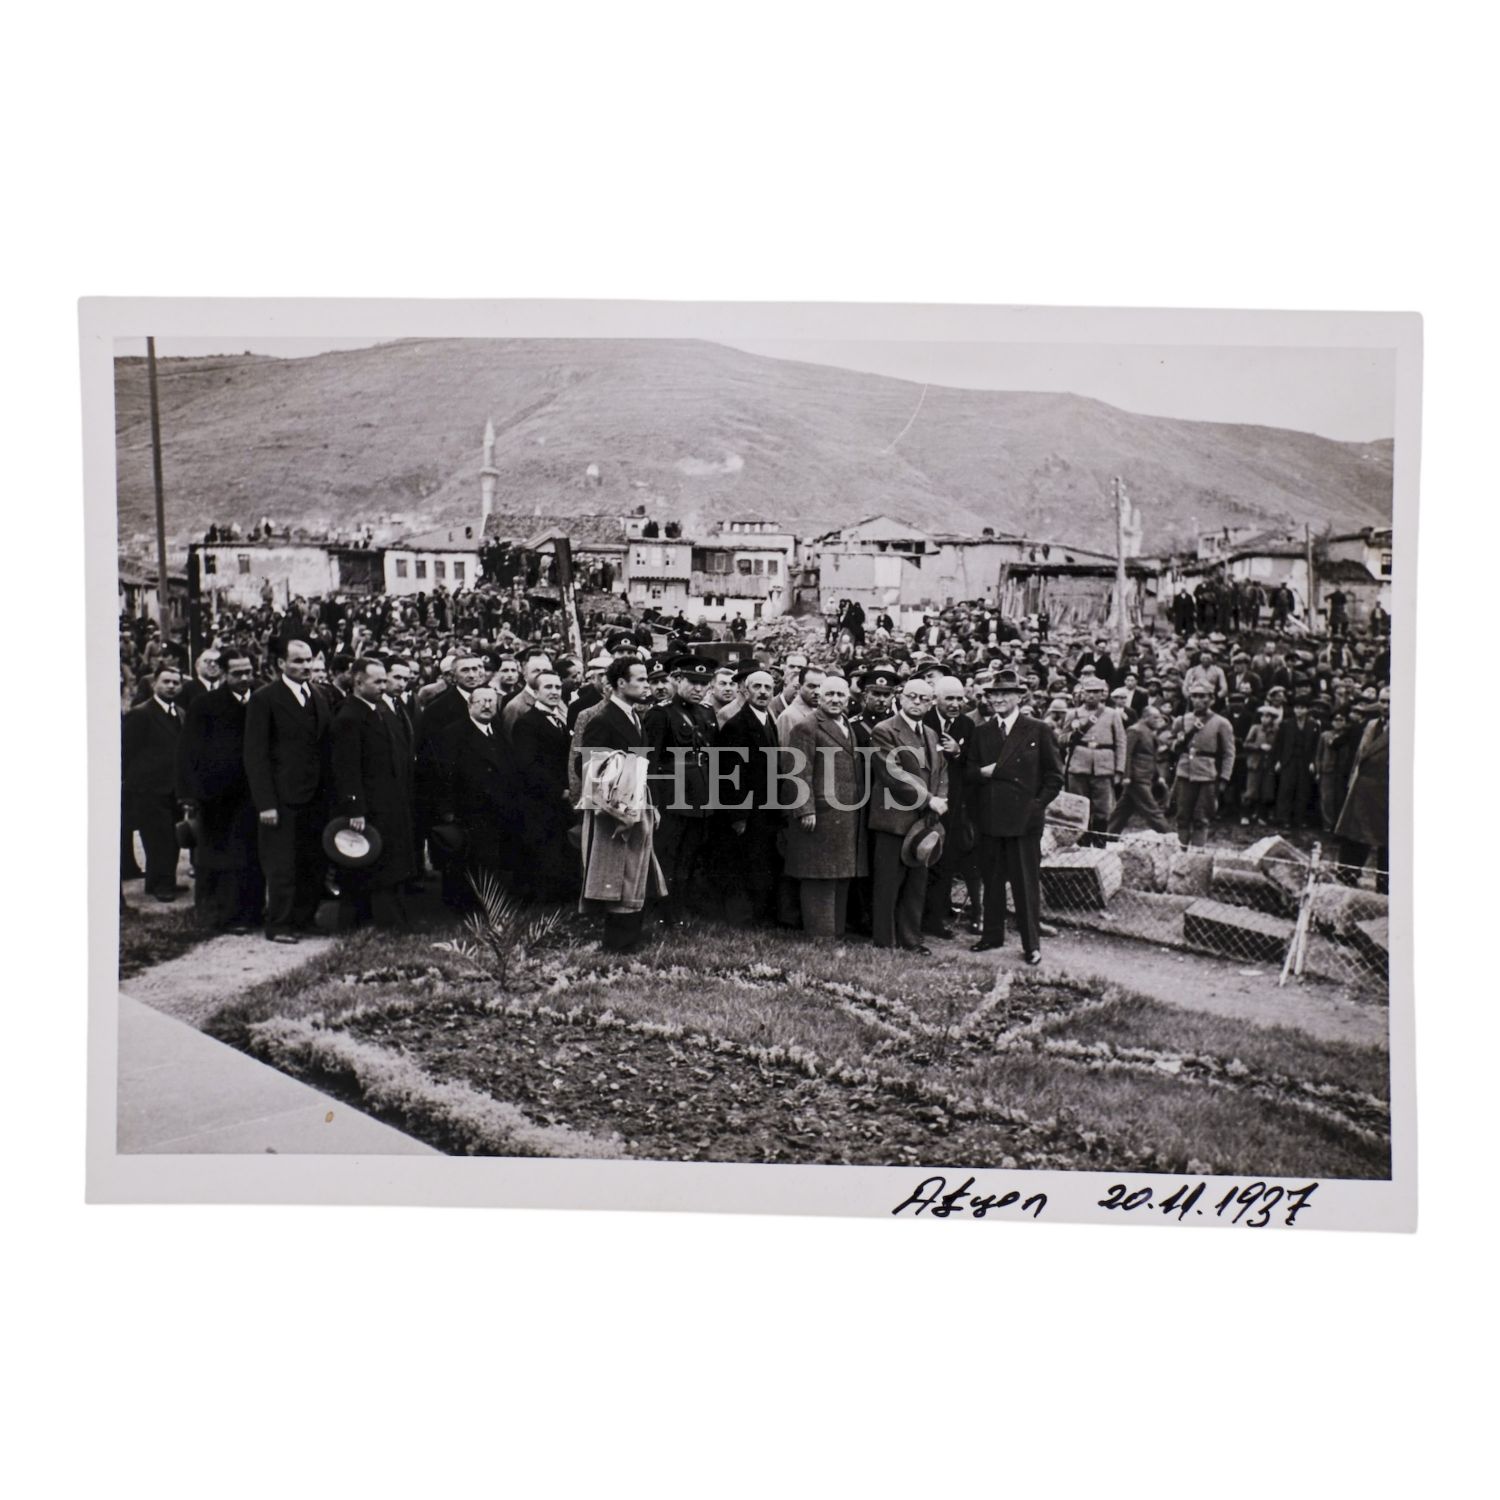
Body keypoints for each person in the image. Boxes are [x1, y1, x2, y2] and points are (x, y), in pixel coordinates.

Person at [961, 669, 1064, 963]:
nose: (998, 699)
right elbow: (968, 773)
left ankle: (1031, 945)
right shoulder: (982, 732)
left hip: (1024, 823)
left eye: (1005, 693)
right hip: (991, 820)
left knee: (1025, 884)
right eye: (994, 694)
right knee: (992, 882)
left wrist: (1036, 806)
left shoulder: (1038, 729)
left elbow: (1055, 777)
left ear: (1019, 697)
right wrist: (983, 773)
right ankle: (991, 936)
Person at [243, 638, 332, 942]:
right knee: (282, 865)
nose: (306, 666)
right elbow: (255, 754)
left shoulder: (319, 695)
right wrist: (266, 803)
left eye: (309, 660)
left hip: (316, 796)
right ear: (281, 663)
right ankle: (279, 924)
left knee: (313, 860)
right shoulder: (265, 699)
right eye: (298, 661)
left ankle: (305, 918)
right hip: (282, 798)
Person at [578, 657, 663, 953]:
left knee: (634, 871)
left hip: (637, 804)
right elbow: (587, 767)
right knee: (617, 874)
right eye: (640, 679)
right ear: (621, 683)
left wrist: (649, 802)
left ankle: (629, 939)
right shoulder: (603, 720)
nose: (646, 685)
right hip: (616, 812)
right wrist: (620, 798)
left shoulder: (634, 717)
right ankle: (617, 944)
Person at [176, 652, 263, 930]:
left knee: (250, 856)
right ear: (224, 674)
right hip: (216, 796)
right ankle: (220, 915)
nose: (244, 678)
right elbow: (188, 751)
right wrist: (190, 794)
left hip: (252, 793)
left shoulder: (261, 700)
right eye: (237, 673)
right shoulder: (205, 705)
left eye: (248, 671)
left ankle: (251, 913)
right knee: (219, 857)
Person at [330, 658, 415, 930]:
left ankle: (385, 919)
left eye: (384, 680)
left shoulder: (377, 710)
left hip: (387, 800)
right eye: (377, 681)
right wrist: (355, 808)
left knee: (387, 861)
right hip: (369, 804)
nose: (383, 686)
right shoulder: (349, 716)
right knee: (371, 863)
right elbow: (346, 767)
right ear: (358, 682)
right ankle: (368, 921)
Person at [867, 677, 948, 954]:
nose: (917, 702)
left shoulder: (932, 734)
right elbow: (893, 773)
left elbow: (941, 770)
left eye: (924, 699)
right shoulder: (884, 730)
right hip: (893, 820)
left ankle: (911, 940)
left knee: (916, 884)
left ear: (931, 703)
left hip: (924, 821)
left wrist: (940, 797)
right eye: (912, 696)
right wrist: (929, 799)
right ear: (900, 698)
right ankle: (885, 941)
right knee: (888, 885)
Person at [782, 674, 866, 937]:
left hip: (846, 814)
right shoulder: (807, 727)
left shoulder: (847, 724)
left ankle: (835, 933)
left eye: (840, 695)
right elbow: (797, 771)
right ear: (819, 697)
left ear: (848, 699)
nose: (835, 699)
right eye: (829, 694)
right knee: (819, 876)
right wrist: (805, 809)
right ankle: (821, 936)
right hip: (821, 813)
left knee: (839, 875)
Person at [643, 655, 718, 922]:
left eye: (704, 683)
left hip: (700, 795)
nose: (698, 689)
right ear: (677, 680)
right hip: (672, 797)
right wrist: (653, 801)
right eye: (692, 682)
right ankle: (666, 910)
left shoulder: (706, 712)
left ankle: (683, 905)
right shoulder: (660, 714)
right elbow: (649, 761)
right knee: (669, 854)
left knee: (691, 853)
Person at [431, 685, 515, 906]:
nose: (487, 706)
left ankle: (490, 902)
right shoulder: (453, 733)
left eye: (491, 701)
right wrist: (447, 810)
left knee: (491, 859)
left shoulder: (497, 732)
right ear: (470, 705)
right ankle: (466, 905)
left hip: (496, 808)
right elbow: (443, 774)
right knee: (469, 860)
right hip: (468, 809)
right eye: (481, 701)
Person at [714, 664, 782, 926]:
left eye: (768, 688)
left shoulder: (768, 719)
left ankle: (759, 914)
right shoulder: (736, 725)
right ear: (744, 690)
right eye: (757, 687)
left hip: (766, 806)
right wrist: (738, 815)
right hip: (747, 808)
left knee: (761, 860)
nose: (763, 692)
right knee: (743, 861)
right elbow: (729, 774)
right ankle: (741, 917)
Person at [510, 669, 577, 901]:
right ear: (535, 692)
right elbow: (528, 765)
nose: (554, 692)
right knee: (545, 850)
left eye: (558, 687)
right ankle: (545, 901)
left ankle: (561, 897)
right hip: (541, 799)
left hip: (562, 798)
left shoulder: (560, 719)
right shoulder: (527, 723)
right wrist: (559, 790)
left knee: (561, 848)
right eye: (548, 687)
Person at [122, 665, 186, 901]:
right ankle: (161, 885)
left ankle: (161, 880)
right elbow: (127, 751)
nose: (171, 686)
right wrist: (133, 784)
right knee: (158, 838)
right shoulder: (141, 714)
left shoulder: (180, 713)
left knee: (173, 837)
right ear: (154, 684)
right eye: (166, 681)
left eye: (175, 682)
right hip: (149, 788)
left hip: (173, 788)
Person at [1166, 685, 1235, 848]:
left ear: (1211, 699)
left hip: (1207, 775)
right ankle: (1181, 852)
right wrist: (1178, 742)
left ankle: (1197, 855)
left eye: (1203, 696)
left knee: (1201, 818)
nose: (1198, 700)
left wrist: (1224, 778)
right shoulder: (1182, 720)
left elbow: (1229, 753)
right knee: (1182, 817)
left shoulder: (1221, 723)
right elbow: (1169, 742)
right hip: (1184, 772)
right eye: (1195, 696)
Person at [1335, 688, 1390, 891]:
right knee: (1354, 836)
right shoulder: (1371, 725)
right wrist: (1353, 782)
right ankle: (1346, 879)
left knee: (1387, 843)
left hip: (1386, 791)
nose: (1385, 706)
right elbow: (1359, 757)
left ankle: (1384, 889)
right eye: (1382, 701)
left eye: (1390, 702)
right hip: (1362, 788)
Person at [1063, 675, 1127, 843]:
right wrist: (1072, 736)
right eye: (1088, 692)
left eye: (1096, 692)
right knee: (1078, 808)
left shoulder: (1112, 714)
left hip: (1103, 767)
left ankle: (1099, 846)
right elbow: (1061, 739)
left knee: (1102, 809)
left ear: (1102, 694)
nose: (1092, 695)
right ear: (1082, 694)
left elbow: (1121, 742)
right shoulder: (1073, 714)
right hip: (1078, 766)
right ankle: (1081, 845)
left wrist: (1119, 770)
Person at [1105, 705, 1171, 834]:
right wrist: (1126, 776)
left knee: (1123, 810)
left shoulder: (1148, 731)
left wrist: (1158, 776)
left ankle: (1107, 835)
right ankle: (1168, 836)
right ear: (1146, 717)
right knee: (1152, 809)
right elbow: (1127, 753)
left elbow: (1152, 756)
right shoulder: (1135, 730)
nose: (1158, 720)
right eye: (1155, 717)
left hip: (1144, 776)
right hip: (1137, 778)